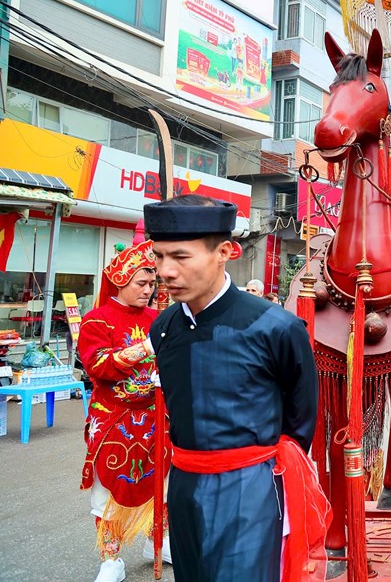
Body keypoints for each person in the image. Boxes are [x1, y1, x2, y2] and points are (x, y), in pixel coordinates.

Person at [144, 194, 327, 581]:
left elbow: (301, 419)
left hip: (250, 489)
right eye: (159, 257)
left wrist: (257, 471)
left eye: (180, 257)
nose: (166, 271)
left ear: (225, 251)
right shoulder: (163, 329)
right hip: (184, 484)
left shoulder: (276, 328)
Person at [79, 241, 167, 582]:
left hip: (154, 415)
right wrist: (147, 346)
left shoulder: (158, 317)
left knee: (162, 483)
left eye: (151, 284)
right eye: (140, 284)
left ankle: (156, 541)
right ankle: (111, 559)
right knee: (107, 489)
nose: (148, 290)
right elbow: (98, 366)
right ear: (120, 281)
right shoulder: (96, 320)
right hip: (113, 417)